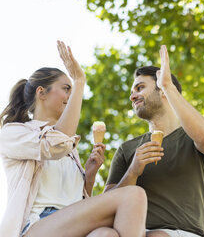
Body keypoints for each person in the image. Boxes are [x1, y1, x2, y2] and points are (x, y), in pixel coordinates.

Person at [0, 41, 147, 237]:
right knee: (134, 195)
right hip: (35, 226)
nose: (71, 95)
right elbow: (54, 145)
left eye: (71, 89)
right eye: (66, 88)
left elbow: (74, 201)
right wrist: (79, 81)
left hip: (69, 225)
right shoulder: (14, 132)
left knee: (105, 234)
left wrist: (89, 176)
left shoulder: (70, 148)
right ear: (41, 92)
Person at [104, 45, 204, 237]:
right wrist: (133, 172)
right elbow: (105, 205)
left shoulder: (193, 136)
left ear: (162, 91)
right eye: (133, 91)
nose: (132, 96)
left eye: (140, 88)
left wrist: (168, 86)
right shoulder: (127, 149)